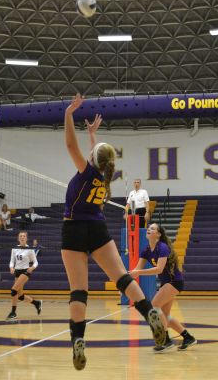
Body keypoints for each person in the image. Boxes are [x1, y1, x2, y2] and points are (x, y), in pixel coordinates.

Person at [61, 94, 165, 370]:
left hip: (73, 229)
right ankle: (148, 311)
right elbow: (98, 157)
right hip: (97, 227)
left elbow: (71, 144)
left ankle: (78, 341)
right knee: (121, 277)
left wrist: (68, 114)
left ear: (91, 158)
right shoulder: (104, 178)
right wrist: (93, 136)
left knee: (79, 290)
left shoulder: (84, 171)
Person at [130, 223, 197, 352]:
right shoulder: (146, 250)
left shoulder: (163, 247)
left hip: (174, 282)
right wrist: (126, 276)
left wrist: (138, 273)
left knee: (154, 306)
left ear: (159, 234)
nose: (149, 229)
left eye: (153, 228)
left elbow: (159, 269)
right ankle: (188, 337)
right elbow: (137, 269)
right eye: (148, 228)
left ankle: (166, 341)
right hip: (165, 283)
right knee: (165, 316)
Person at [6, 231, 42, 322]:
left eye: (24, 236)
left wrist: (32, 268)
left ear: (26, 238)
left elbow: (36, 262)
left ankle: (13, 313)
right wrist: (11, 268)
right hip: (17, 271)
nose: (22, 237)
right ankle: (36, 303)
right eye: (20, 236)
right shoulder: (14, 248)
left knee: (14, 290)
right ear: (18, 238)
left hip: (26, 271)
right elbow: (11, 261)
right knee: (20, 296)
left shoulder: (29, 249)